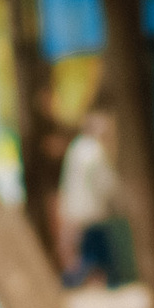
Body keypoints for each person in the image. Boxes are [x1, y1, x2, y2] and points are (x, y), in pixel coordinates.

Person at [56, 101, 123, 287]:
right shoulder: (93, 150)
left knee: (91, 249)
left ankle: (92, 280)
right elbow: (104, 181)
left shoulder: (77, 147)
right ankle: (73, 281)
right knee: (95, 251)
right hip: (91, 210)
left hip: (79, 208)